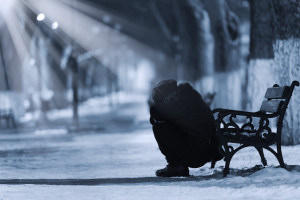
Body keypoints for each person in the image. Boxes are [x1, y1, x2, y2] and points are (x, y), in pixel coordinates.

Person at [150, 79, 223, 177]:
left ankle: (176, 166)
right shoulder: (188, 96)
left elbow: (155, 112)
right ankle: (176, 165)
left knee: (159, 128)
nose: (166, 102)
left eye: (165, 99)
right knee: (166, 125)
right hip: (207, 149)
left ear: (171, 94)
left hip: (198, 154)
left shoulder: (181, 102)